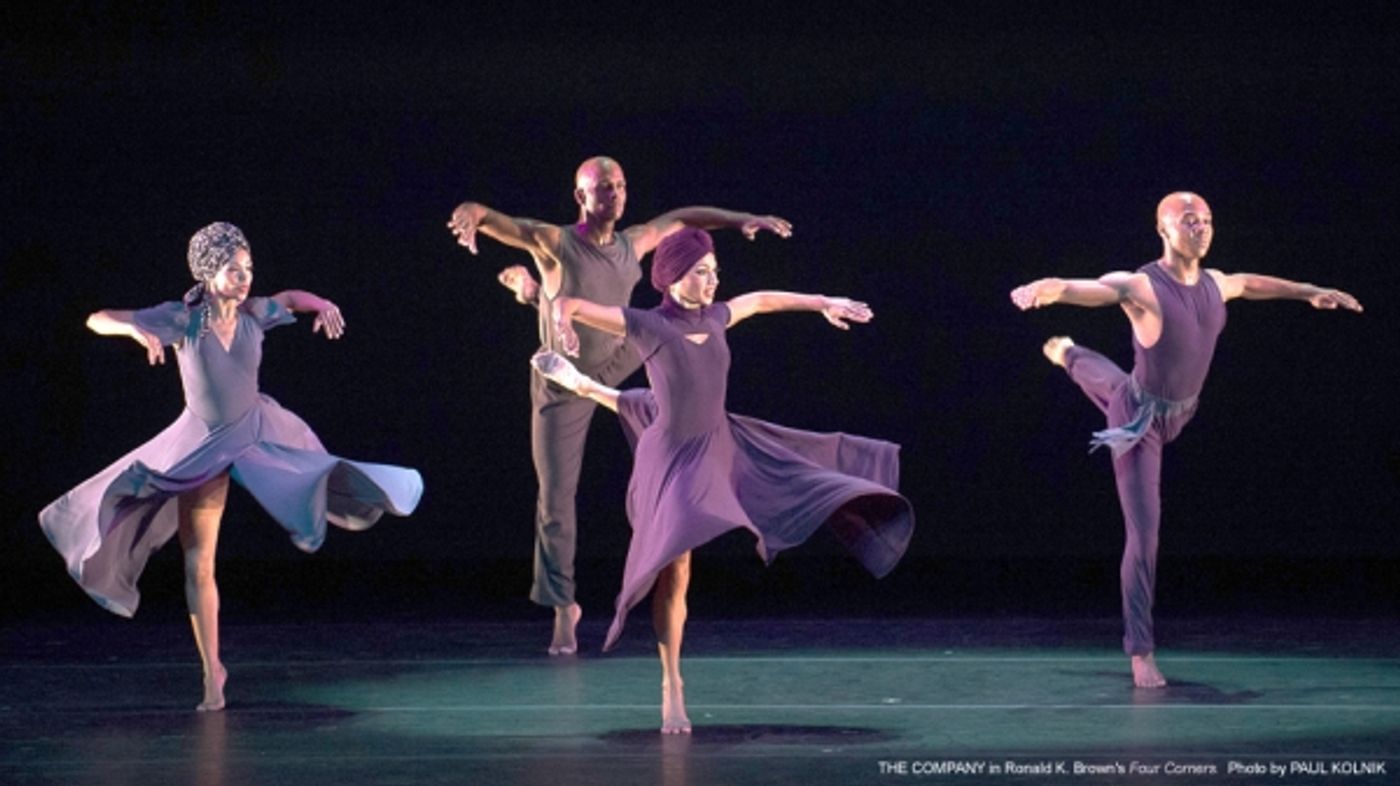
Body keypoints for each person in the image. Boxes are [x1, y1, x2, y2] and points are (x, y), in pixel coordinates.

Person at [534, 227, 914, 733]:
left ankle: (583, 386)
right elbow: (573, 304)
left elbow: (760, 301)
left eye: (715, 273)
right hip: (672, 457)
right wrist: (562, 322)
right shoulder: (646, 324)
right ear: (672, 278)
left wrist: (823, 301)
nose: (712, 282)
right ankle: (672, 683)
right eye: (701, 273)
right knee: (675, 567)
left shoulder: (717, 316)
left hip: (721, 444)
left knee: (810, 471)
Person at [39, 222, 424, 711]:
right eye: (232, 269)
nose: (244, 278)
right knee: (199, 562)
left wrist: (321, 304)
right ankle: (212, 672)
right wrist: (134, 329)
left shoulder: (254, 314)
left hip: (258, 435)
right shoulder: (181, 319)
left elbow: (288, 297)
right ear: (207, 271)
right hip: (204, 447)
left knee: (318, 471)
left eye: (248, 269)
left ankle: (362, 496)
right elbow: (97, 318)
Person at [1010, 192, 1362, 688]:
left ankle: (1069, 353)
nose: (1201, 228)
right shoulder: (1143, 285)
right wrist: (1057, 288)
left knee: (1114, 385)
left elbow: (1252, 284)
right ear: (1163, 229)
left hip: (1181, 409)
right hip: (1140, 423)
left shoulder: (1215, 284)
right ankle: (1141, 651)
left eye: (1208, 221)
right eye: (1189, 220)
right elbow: (1100, 288)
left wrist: (1308, 290)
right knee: (1144, 530)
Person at [447, 156, 792, 655]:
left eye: (621, 186)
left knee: (665, 325)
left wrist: (740, 220)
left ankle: (532, 293)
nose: (615, 194)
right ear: (581, 197)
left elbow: (684, 218)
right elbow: (497, 220)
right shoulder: (555, 240)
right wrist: (470, 211)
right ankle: (564, 605)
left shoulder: (633, 243)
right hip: (564, 381)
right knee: (556, 496)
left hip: (618, 355)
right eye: (603, 188)